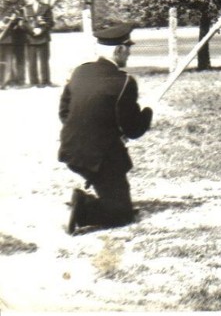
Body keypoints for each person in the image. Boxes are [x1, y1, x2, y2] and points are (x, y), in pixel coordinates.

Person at [59, 23, 153, 235]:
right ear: (119, 50)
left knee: (118, 192)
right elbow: (133, 130)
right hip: (100, 157)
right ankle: (81, 208)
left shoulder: (80, 71)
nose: (129, 53)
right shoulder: (124, 81)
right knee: (122, 215)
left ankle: (90, 198)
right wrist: (147, 112)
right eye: (128, 48)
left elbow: (64, 113)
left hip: (71, 151)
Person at [22, 0, 54, 87]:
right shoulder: (25, 9)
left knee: (44, 60)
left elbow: (50, 22)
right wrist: (32, 30)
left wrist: (41, 30)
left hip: (43, 37)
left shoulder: (46, 7)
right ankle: (33, 82)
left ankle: (45, 81)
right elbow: (24, 23)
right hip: (30, 37)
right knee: (31, 60)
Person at [0, 0, 26, 88]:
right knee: (3, 59)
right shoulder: (1, 0)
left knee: (17, 58)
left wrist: (18, 19)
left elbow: (24, 13)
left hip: (17, 33)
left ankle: (17, 81)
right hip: (3, 33)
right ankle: (3, 82)